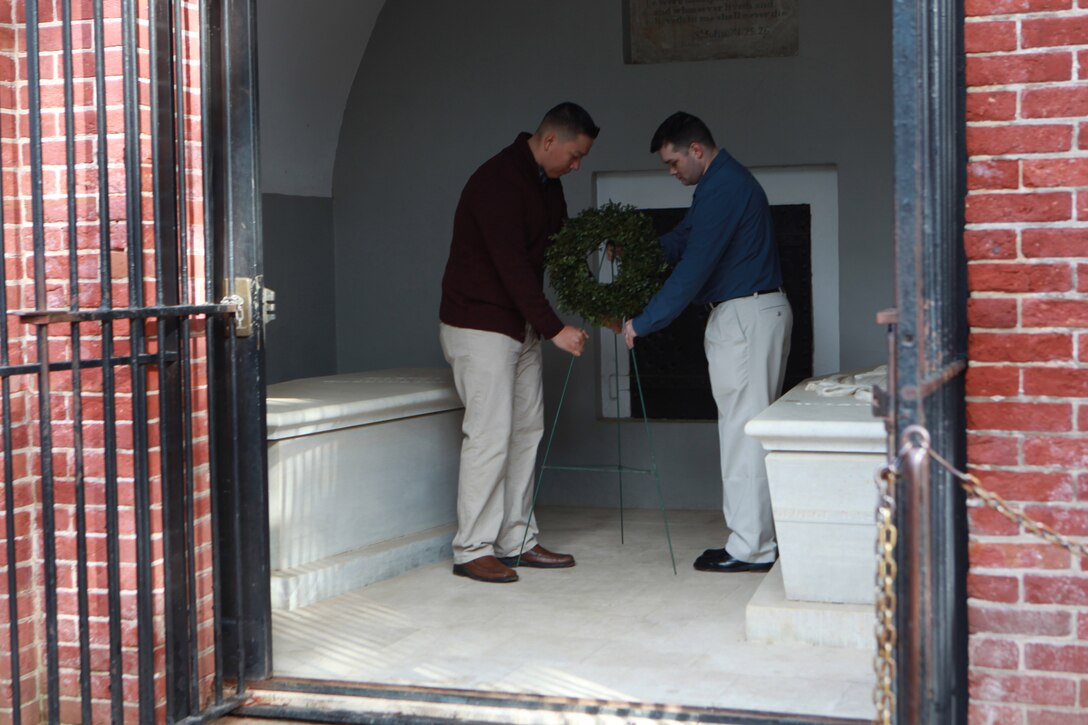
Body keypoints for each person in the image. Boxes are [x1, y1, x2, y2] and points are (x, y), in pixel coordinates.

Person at [621, 111, 792, 573]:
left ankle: (751, 548)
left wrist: (643, 322)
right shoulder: (719, 184)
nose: (671, 171)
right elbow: (684, 240)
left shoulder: (723, 187)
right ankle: (753, 541)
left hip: (745, 315)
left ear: (696, 149)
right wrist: (636, 248)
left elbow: (694, 267)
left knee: (742, 433)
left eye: (673, 162)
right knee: (744, 429)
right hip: (752, 313)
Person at [438, 102, 598, 583]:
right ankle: (471, 548)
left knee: (527, 431)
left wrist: (597, 247)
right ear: (549, 141)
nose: (577, 166)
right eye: (574, 156)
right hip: (479, 325)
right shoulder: (496, 182)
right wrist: (555, 328)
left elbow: (561, 248)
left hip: (518, 325)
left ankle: (516, 539)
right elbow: (510, 268)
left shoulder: (549, 186)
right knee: (489, 435)